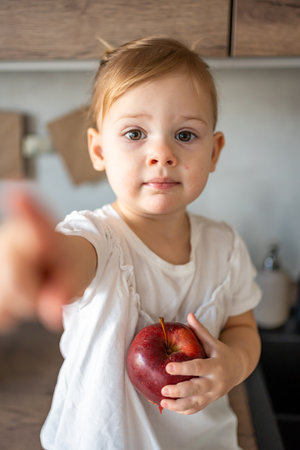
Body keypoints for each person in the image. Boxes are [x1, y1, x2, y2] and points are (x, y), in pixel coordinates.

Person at [0, 37, 261, 449]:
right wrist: (33, 258)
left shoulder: (225, 247)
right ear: (99, 149)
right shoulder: (96, 238)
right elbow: (68, 260)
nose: (161, 152)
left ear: (215, 151)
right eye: (136, 133)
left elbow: (242, 327)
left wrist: (235, 365)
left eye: (186, 135)